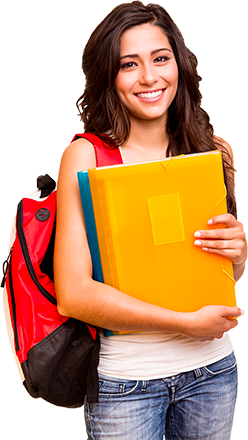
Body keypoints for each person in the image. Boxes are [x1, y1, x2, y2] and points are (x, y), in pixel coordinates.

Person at [54, 2, 247, 439]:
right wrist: (182, 324)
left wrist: (239, 251)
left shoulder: (210, 148)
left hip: (213, 373)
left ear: (179, 64)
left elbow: (219, 273)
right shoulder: (86, 157)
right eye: (129, 64)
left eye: (161, 58)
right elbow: (74, 294)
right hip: (128, 384)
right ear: (109, 76)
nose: (149, 77)